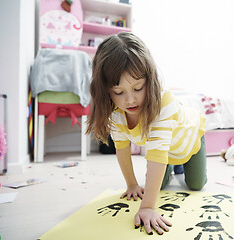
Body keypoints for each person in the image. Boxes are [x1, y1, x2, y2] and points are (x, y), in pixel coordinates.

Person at [86, 32, 207, 235]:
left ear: (149, 80)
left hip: (189, 139)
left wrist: (148, 207)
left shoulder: (163, 103)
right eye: (118, 92)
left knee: (195, 185)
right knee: (160, 185)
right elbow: (122, 149)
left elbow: (156, 157)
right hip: (166, 151)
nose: (130, 100)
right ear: (105, 90)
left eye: (138, 88)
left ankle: (182, 165)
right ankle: (174, 166)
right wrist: (132, 184)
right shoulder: (115, 113)